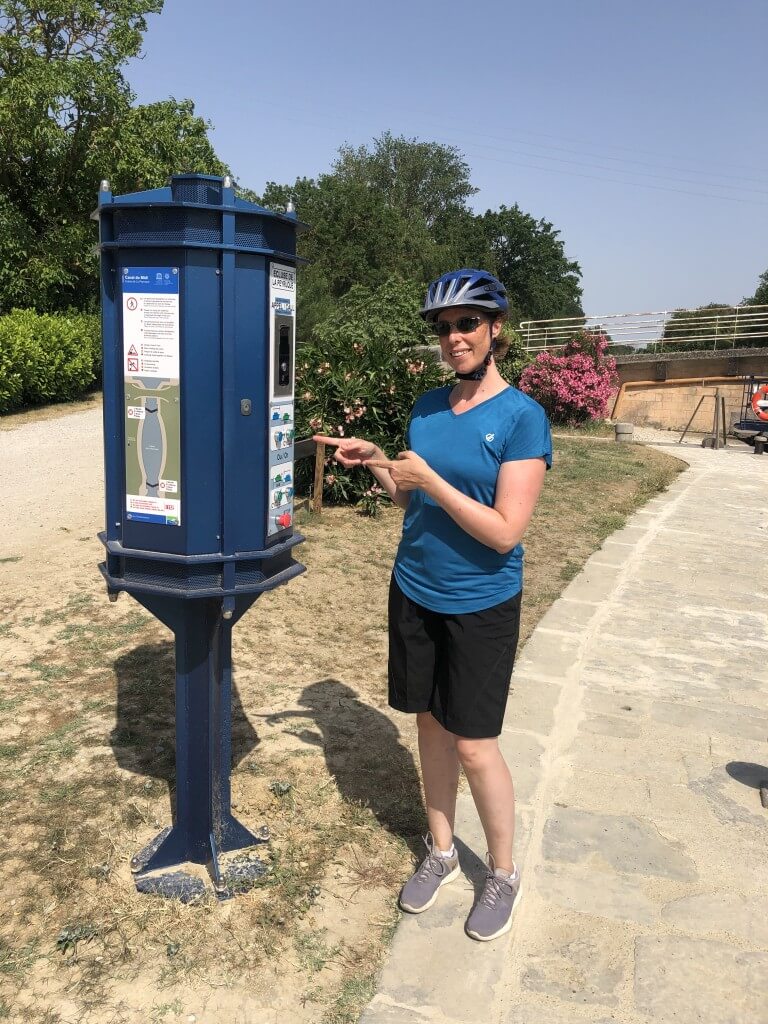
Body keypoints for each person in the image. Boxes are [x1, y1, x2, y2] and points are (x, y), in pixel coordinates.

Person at [313, 268, 552, 942]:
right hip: (415, 588)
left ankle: (502, 872)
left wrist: (432, 481)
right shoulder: (425, 406)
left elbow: (506, 531)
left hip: (481, 603)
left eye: (467, 324)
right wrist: (384, 461)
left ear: (496, 329)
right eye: (444, 328)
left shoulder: (522, 419)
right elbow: (405, 497)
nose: (454, 338)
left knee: (476, 746)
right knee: (428, 726)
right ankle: (442, 851)